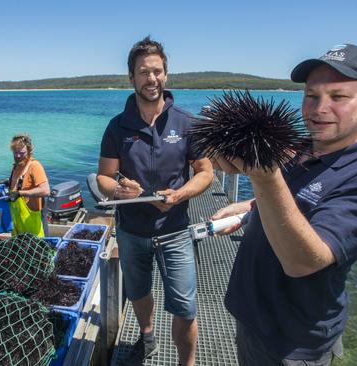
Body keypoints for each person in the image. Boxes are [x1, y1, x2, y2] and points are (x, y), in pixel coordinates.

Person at [211, 44, 357, 365]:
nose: (319, 109)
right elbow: (294, 200)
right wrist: (248, 209)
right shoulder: (297, 149)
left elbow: (302, 262)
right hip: (250, 317)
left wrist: (264, 177)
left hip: (293, 342)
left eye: (338, 97)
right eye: (311, 96)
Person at [97, 36, 213, 366]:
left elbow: (205, 172)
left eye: (157, 71)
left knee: (186, 307)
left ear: (167, 74)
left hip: (176, 230)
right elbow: (104, 177)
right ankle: (147, 335)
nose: (152, 79)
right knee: (137, 292)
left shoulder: (187, 123)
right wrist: (119, 190)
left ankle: (185, 363)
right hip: (132, 232)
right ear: (131, 77)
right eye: (144, 72)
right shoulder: (117, 127)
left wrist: (181, 194)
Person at [7, 134, 50, 237]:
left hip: (33, 222)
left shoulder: (34, 166)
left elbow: (46, 190)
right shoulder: (16, 167)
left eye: (21, 153)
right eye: (15, 153)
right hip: (18, 223)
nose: (18, 156)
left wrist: (20, 193)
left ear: (29, 150)